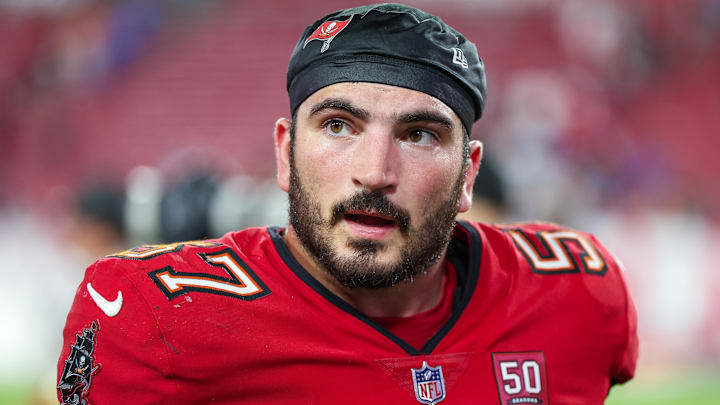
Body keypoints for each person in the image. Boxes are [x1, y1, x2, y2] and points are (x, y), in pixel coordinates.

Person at [57, 4, 637, 404]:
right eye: (339, 126)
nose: (374, 172)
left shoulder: (580, 292)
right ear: (285, 152)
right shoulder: (152, 317)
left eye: (419, 135)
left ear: (469, 175)